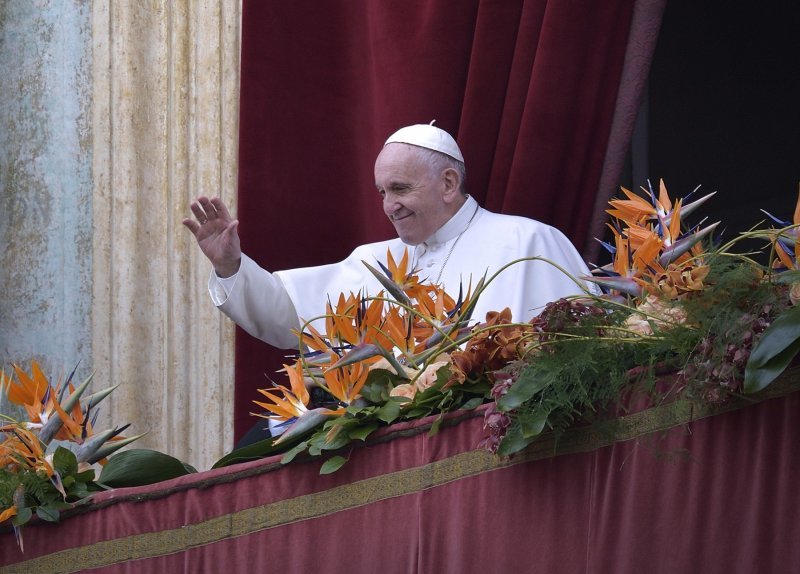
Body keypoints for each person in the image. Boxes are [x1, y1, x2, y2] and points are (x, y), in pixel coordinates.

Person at [183, 123, 594, 353]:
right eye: (381, 192)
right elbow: (288, 315)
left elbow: (579, 350)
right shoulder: (372, 262)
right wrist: (229, 266)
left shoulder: (528, 242)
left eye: (400, 189)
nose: (388, 206)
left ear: (448, 183)